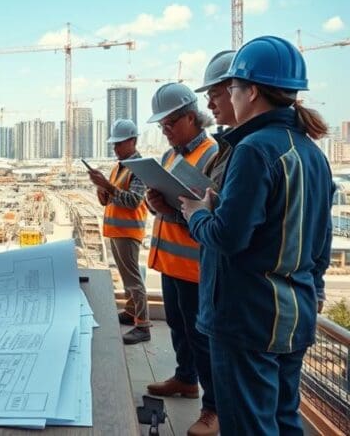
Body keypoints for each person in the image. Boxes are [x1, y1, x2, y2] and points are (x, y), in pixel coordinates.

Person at [180, 36, 334, 435]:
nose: (225, 97)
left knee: (249, 425)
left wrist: (197, 213)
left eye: (231, 87)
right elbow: (320, 241)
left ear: (250, 91)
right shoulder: (311, 152)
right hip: (292, 316)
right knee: (284, 421)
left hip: (246, 318)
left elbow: (228, 237)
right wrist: (313, 289)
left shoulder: (253, 150)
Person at [144, 82, 219, 436]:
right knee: (177, 326)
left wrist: (172, 212)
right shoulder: (170, 155)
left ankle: (212, 409)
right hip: (171, 263)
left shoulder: (212, 155)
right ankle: (186, 379)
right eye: (161, 126)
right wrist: (153, 202)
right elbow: (167, 204)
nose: (165, 131)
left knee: (200, 337)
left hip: (195, 265)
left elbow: (212, 215)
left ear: (192, 117)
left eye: (170, 123)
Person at [88, 119, 151, 344]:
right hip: (116, 230)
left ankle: (143, 326)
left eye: (119, 143)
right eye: (113, 144)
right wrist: (101, 187)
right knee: (127, 277)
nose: (114, 148)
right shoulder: (119, 166)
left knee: (133, 279)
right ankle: (131, 312)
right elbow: (109, 199)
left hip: (128, 231)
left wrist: (107, 185)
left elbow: (133, 200)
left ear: (133, 141)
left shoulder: (140, 168)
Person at [195, 50, 237, 189]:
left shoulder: (250, 149)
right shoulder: (226, 148)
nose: (209, 104)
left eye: (215, 95)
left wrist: (198, 210)